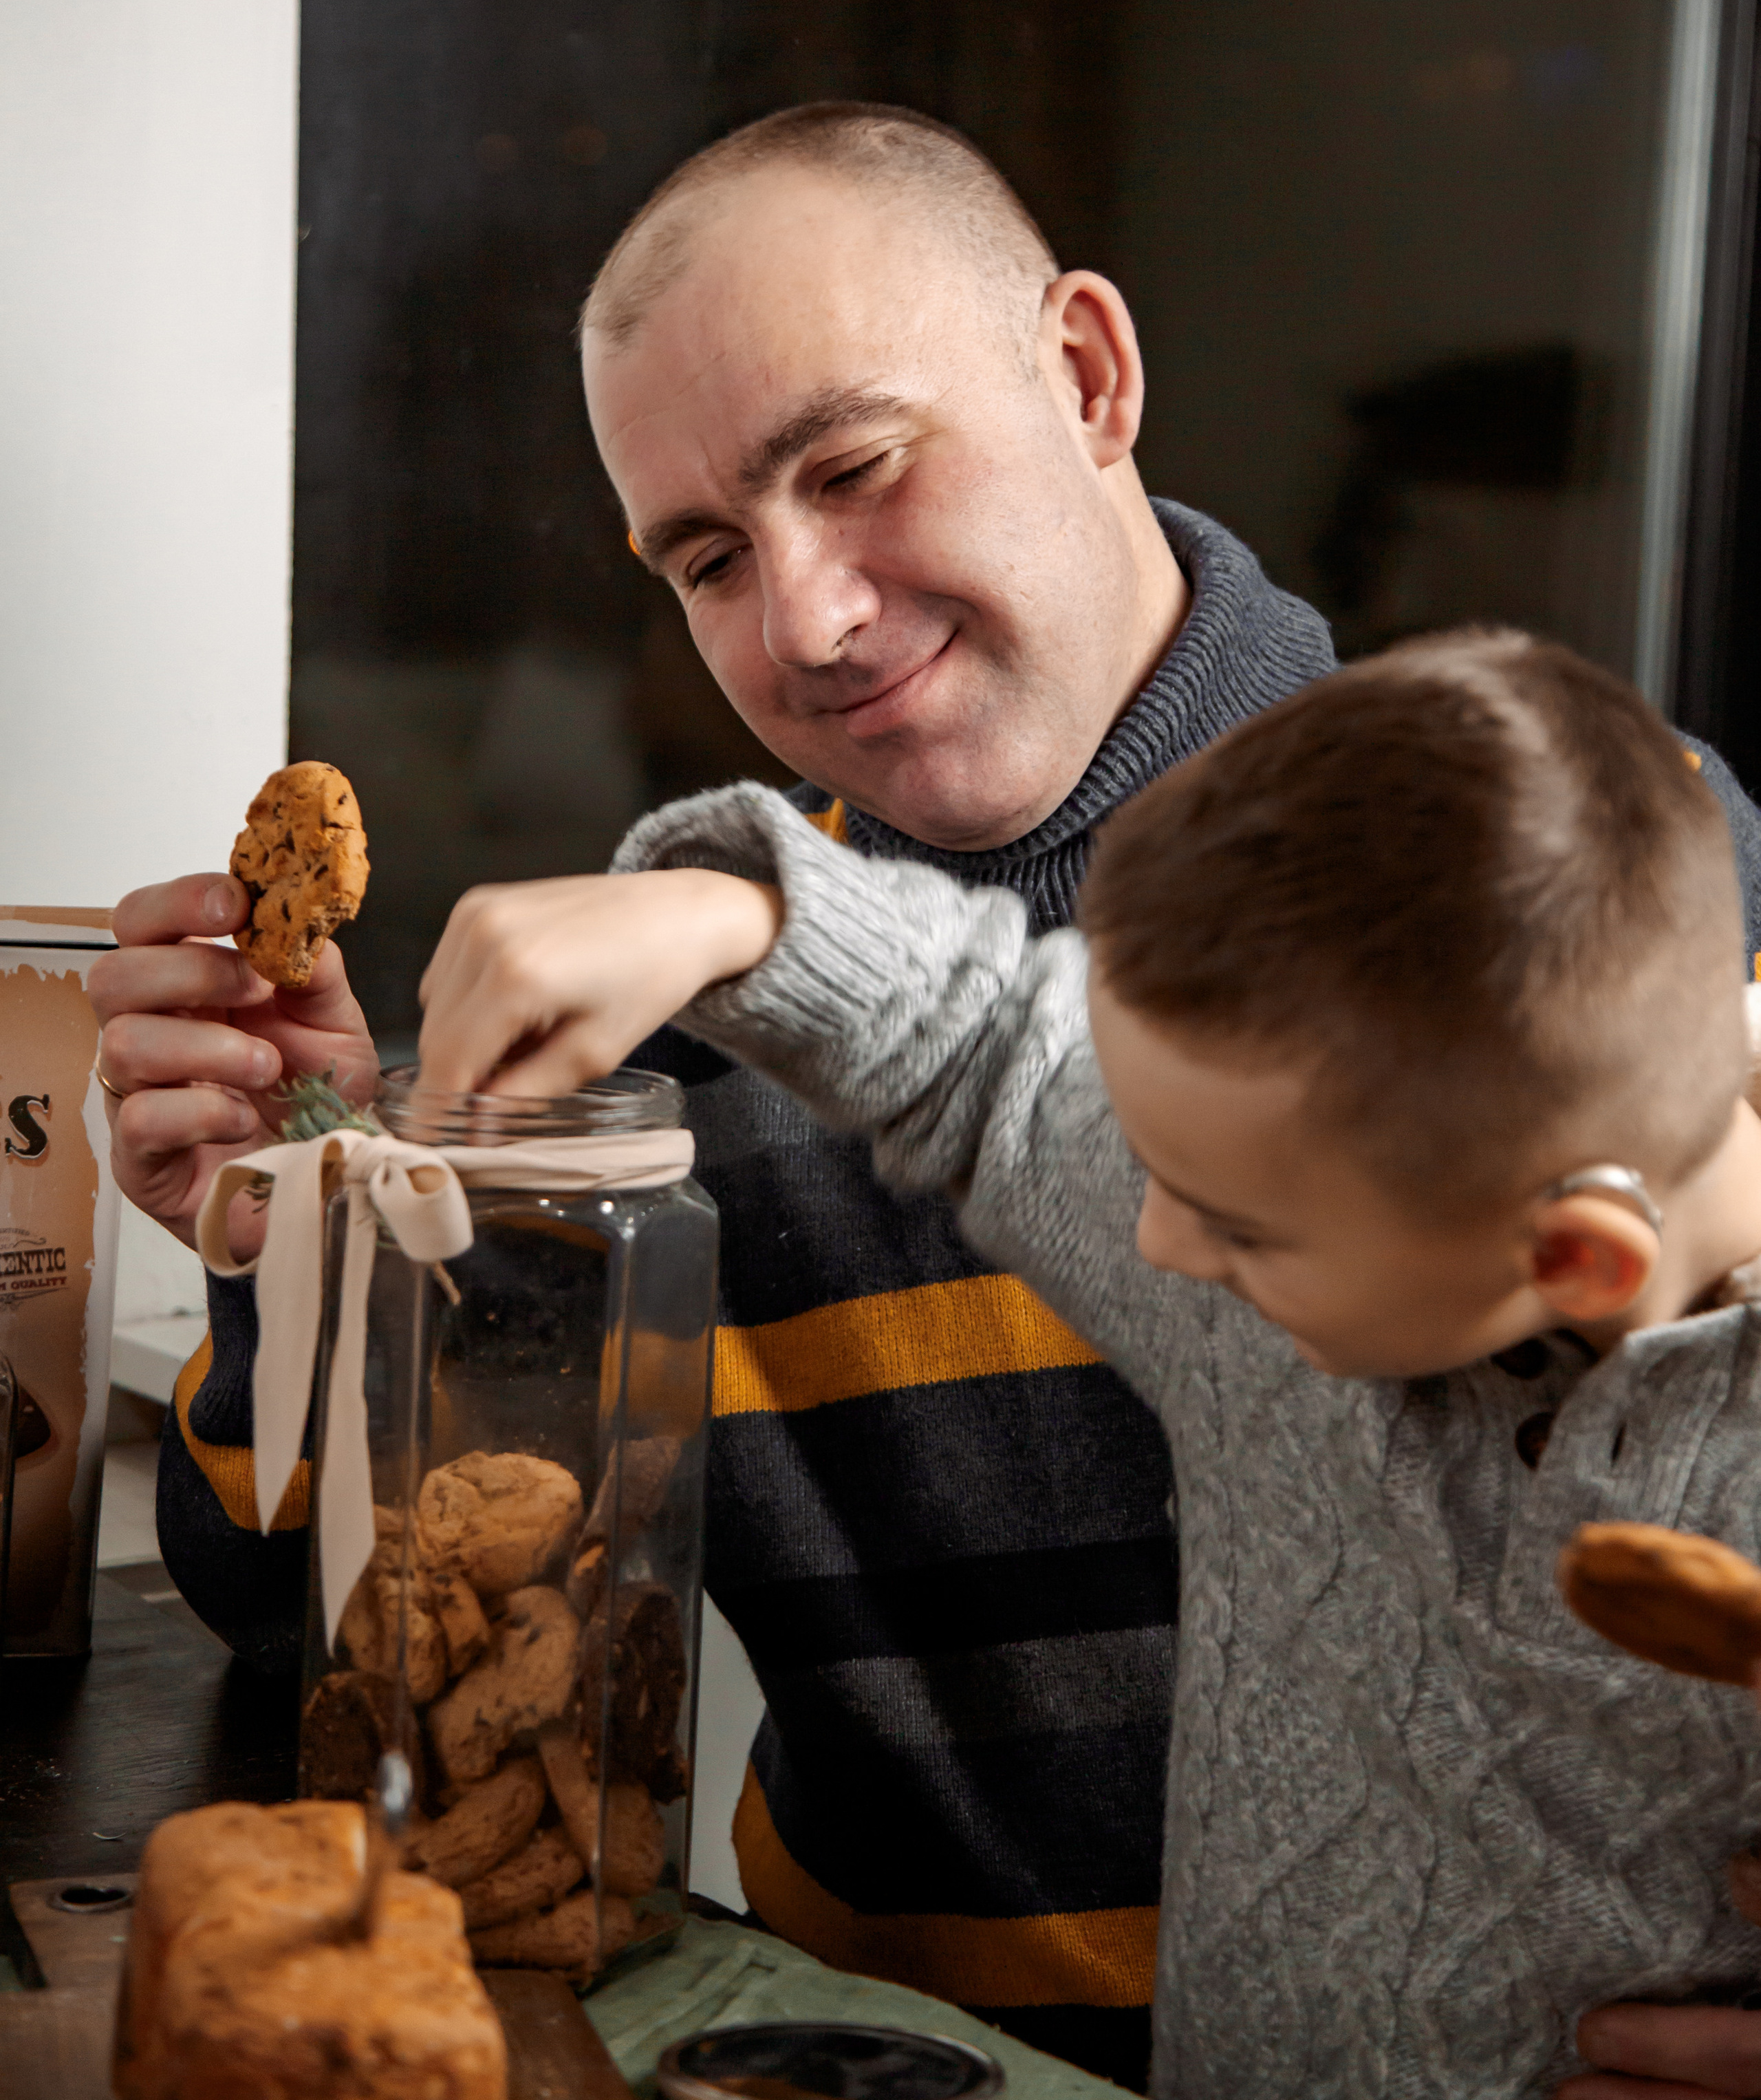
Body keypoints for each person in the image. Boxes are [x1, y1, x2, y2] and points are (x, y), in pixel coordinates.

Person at [91, 107, 1761, 2090]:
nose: (804, 618)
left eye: (858, 466)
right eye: (707, 556)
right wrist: (332, 1224)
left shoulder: (1583, 889)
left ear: (1085, 375)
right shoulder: (674, 1024)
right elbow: (373, 1662)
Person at [419, 629, 1761, 2099]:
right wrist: (731, 918)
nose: (1156, 1247)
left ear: (1567, 1260)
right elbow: (991, 1046)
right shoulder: (1332, 1178)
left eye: (1241, 1229)